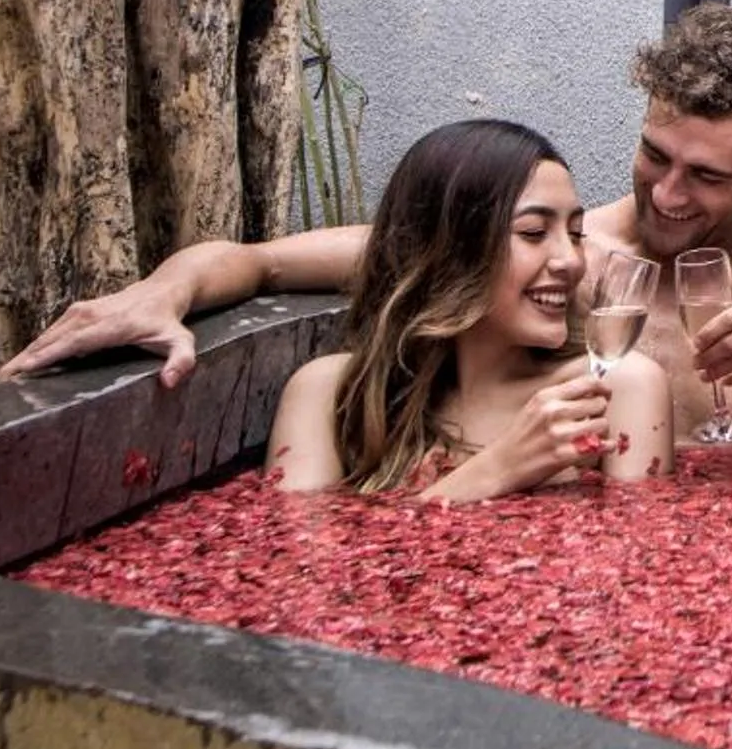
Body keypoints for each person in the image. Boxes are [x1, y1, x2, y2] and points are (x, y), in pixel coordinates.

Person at [0, 6, 732, 448]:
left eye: (705, 175)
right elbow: (264, 257)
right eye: (654, 156)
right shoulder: (547, 249)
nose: (666, 193)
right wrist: (164, 290)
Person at [261, 118, 671, 499]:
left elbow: (639, 565)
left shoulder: (614, 393)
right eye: (533, 233)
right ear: (449, 251)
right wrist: (497, 470)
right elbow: (294, 567)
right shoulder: (330, 394)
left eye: (576, 233)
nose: (571, 260)